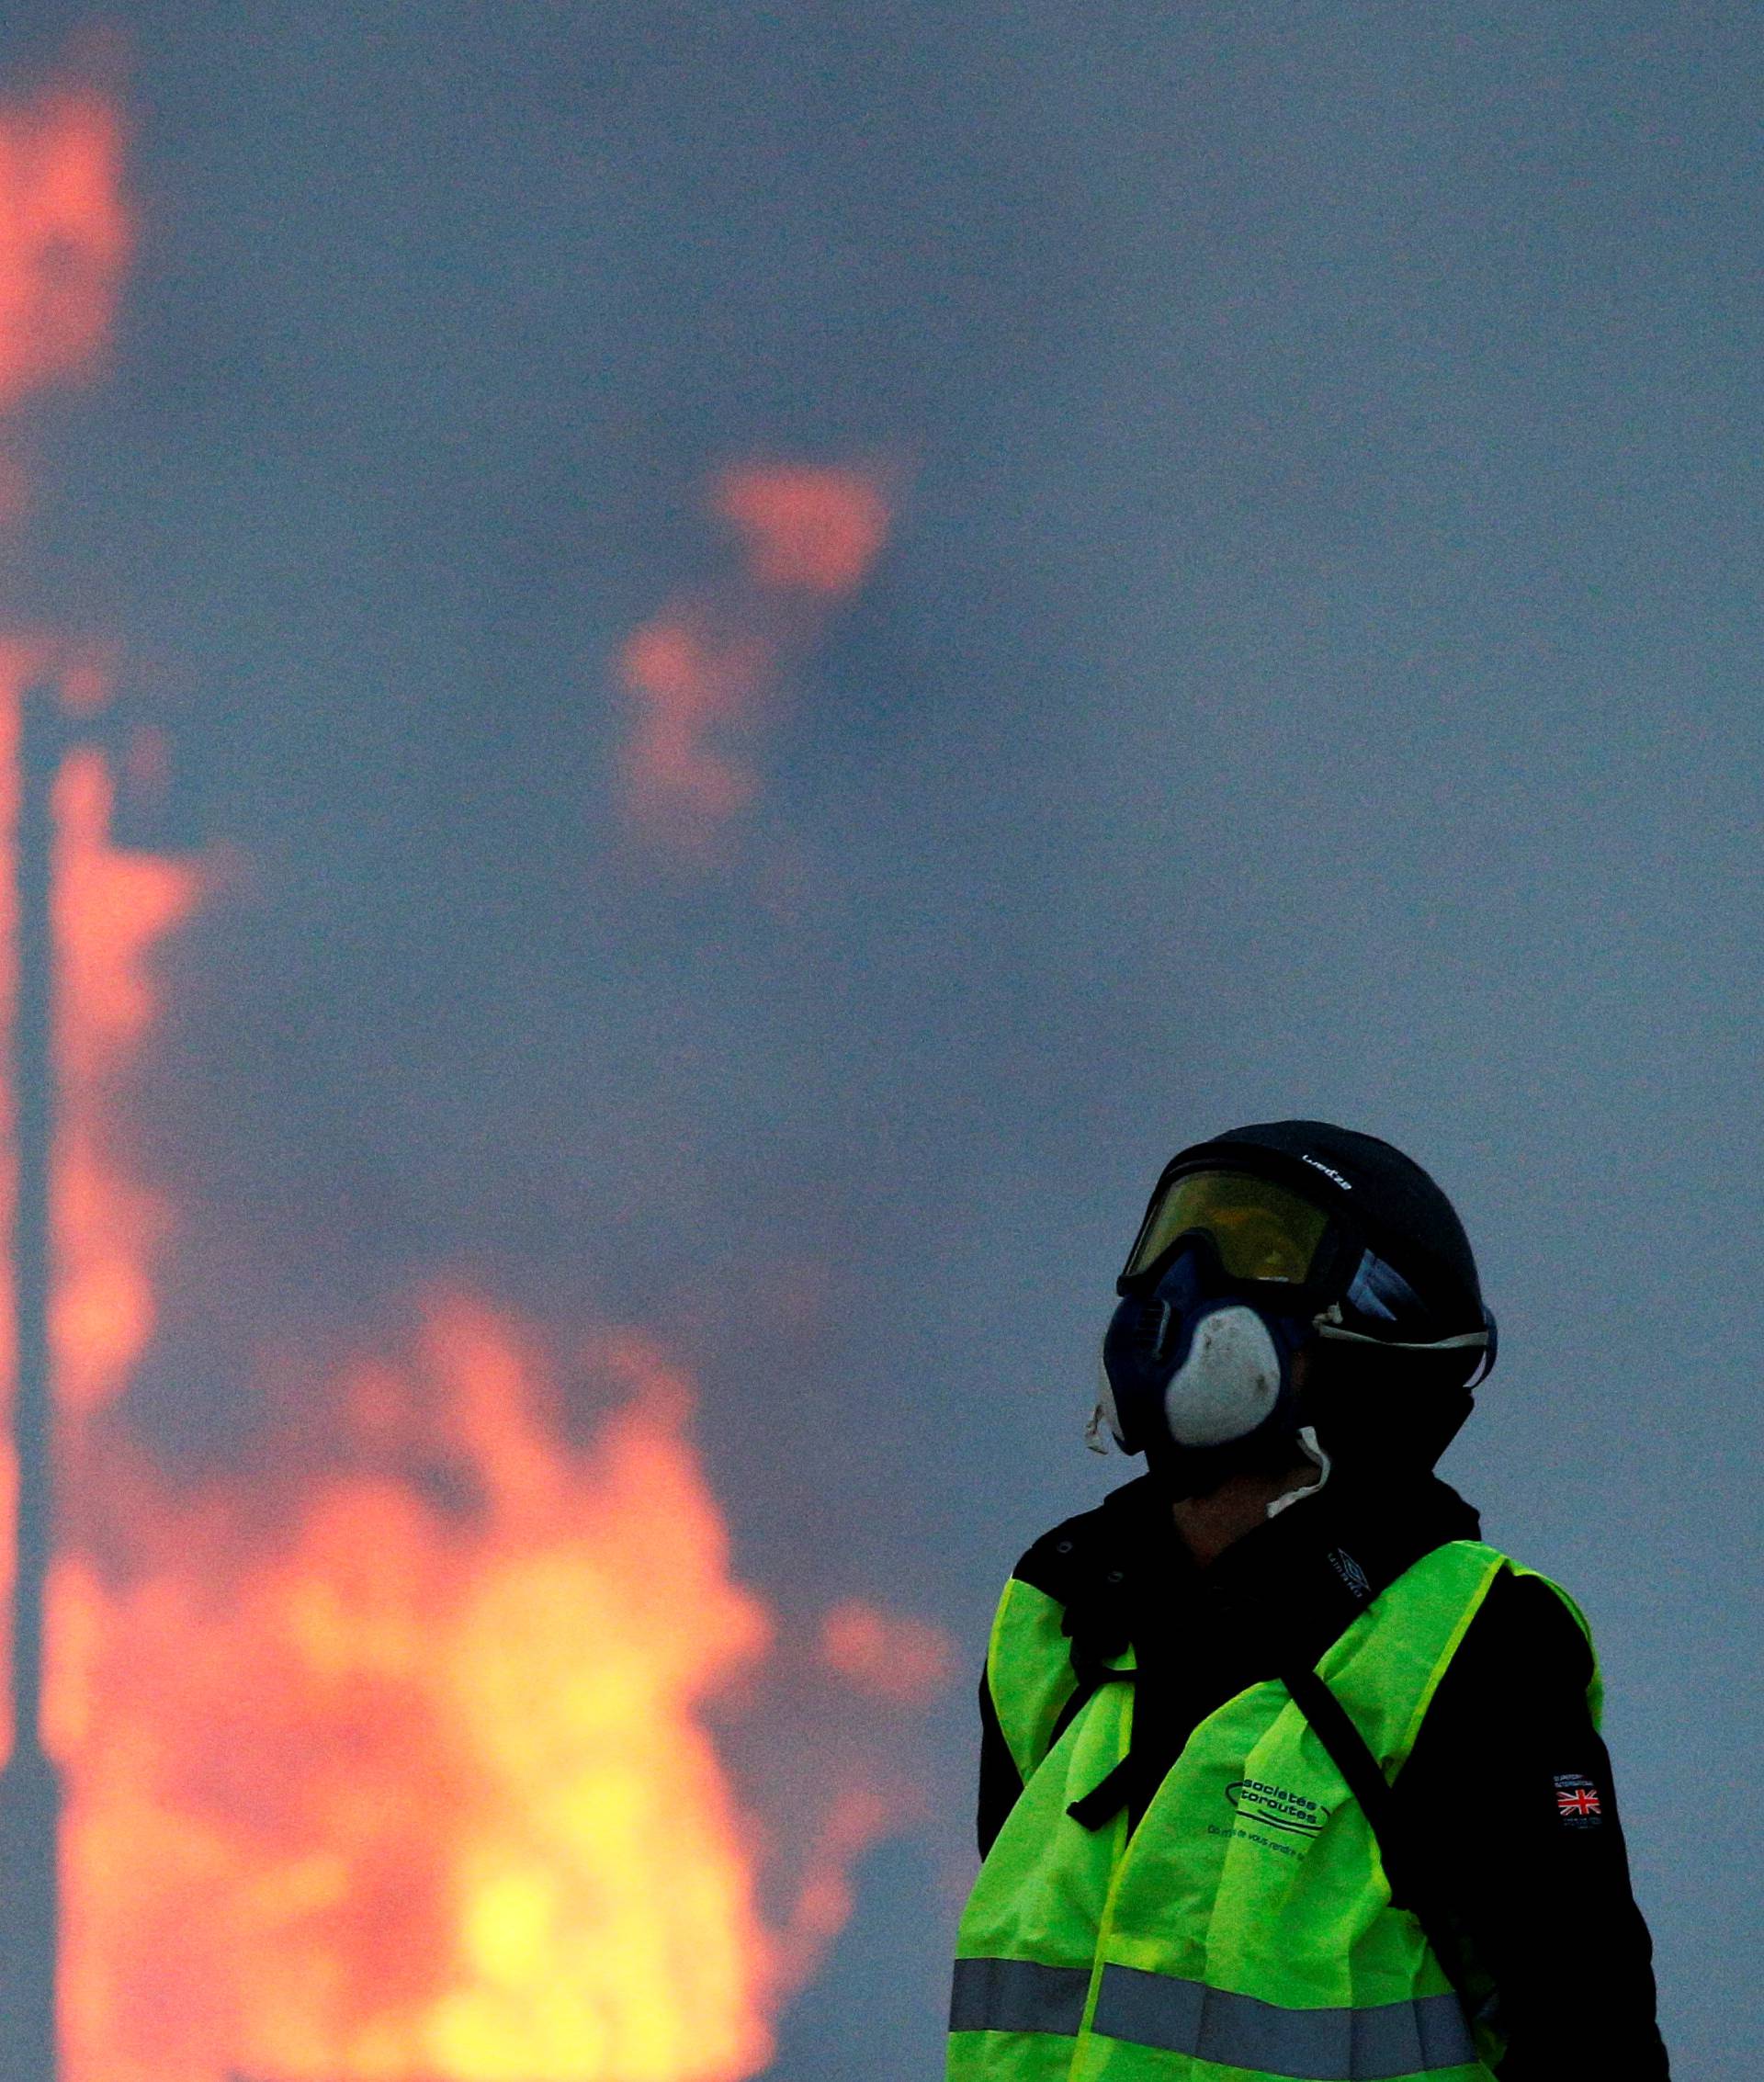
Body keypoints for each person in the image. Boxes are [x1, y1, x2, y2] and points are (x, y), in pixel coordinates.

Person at [949, 1120, 1669, 2082]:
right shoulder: (1062, 1613)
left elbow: (1589, 2040)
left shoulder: (1475, 1644)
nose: (1177, 1280)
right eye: (1173, 1235)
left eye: (1265, 1252)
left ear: (1381, 1331)